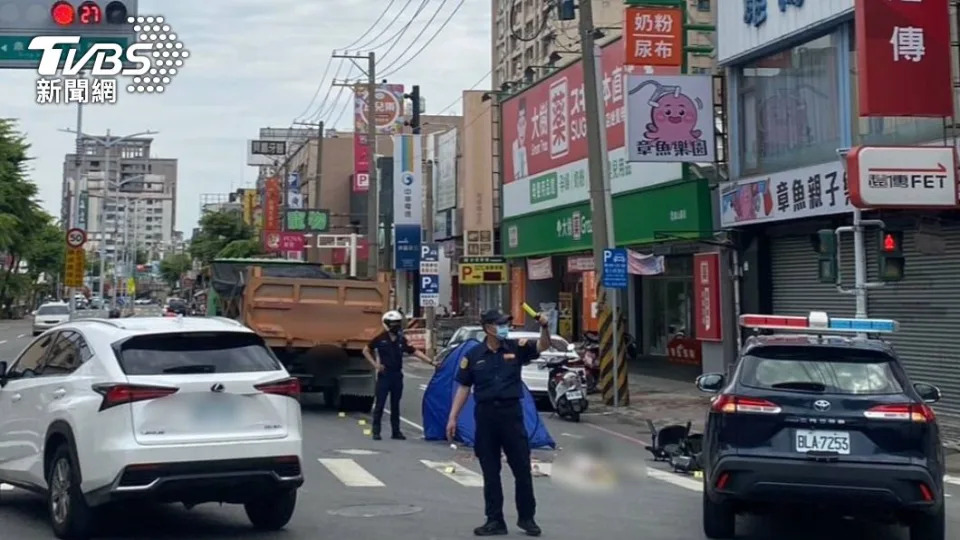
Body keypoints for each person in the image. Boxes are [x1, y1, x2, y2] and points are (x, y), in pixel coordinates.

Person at [446, 309, 551, 537]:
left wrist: (545, 327)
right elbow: (464, 387)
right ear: (488, 327)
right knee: (490, 471)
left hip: (511, 415)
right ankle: (495, 520)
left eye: (506, 323)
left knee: (521, 468)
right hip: (485, 417)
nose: (505, 327)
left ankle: (527, 518)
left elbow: (543, 346)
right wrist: (453, 417)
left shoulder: (516, 348)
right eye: (500, 323)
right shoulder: (473, 355)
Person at [362, 310, 435, 440]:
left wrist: (431, 362)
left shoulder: (402, 339)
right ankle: (376, 431)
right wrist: (376, 365)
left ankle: (396, 432)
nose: (396, 326)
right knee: (380, 404)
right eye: (393, 324)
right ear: (386, 324)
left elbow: (415, 351)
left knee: (395, 405)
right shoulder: (380, 338)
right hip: (385, 375)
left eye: (397, 323)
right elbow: (366, 350)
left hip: (397, 375)